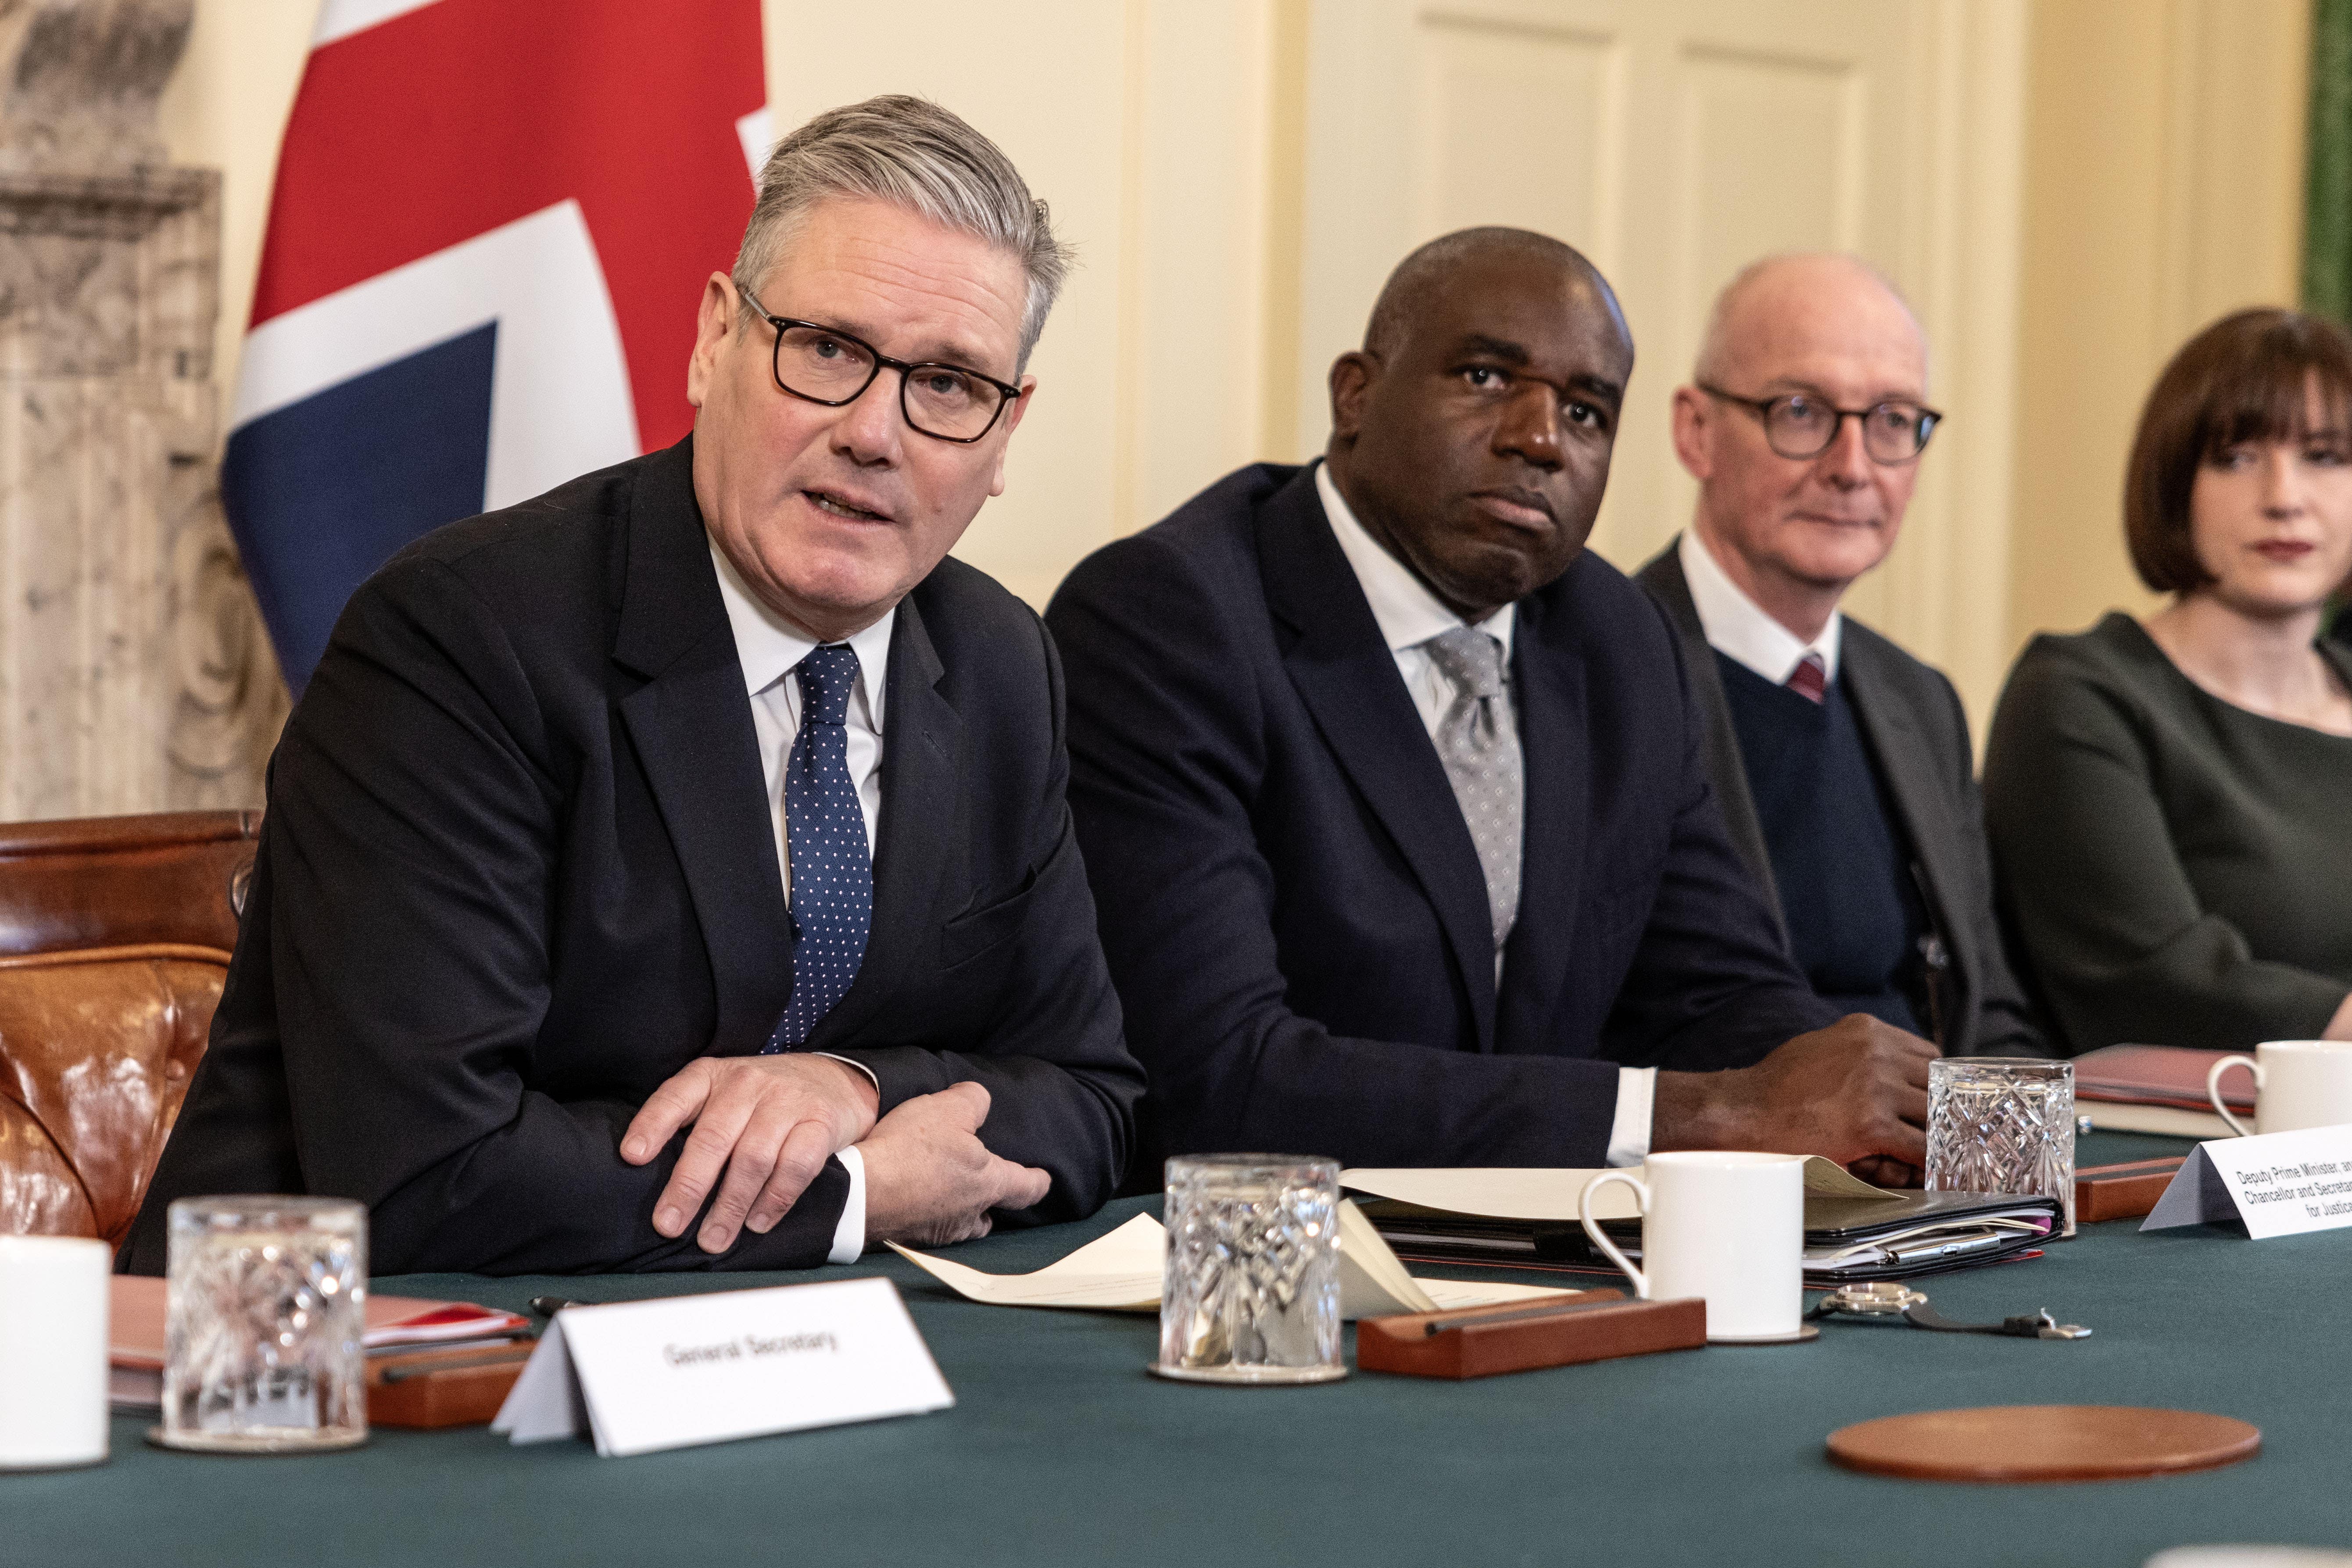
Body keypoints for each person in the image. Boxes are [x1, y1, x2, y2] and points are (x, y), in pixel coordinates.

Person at [122, 97, 1144, 1275]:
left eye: (952, 386)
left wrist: (854, 1086)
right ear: (716, 339)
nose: (876, 433)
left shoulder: (1000, 660)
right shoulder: (459, 639)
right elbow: (425, 1168)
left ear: (1006, 435)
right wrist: (856, 1190)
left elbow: (1093, 1093)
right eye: (828, 350)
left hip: (773, 1356)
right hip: (332, 1371)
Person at [1045, 228, 1938, 1180]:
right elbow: (1220, 1076)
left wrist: (1877, 1112)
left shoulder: (1617, 639)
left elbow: (1716, 987)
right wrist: (1699, 1112)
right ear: (1354, 395)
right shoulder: (1168, 618)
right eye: (1482, 378)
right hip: (1256, 1260)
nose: (1539, 439)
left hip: (1549, 1263)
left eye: (1587, 412)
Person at [1634, 254, 2041, 1056]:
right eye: (1801, 411)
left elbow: (1986, 1013)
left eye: (1892, 420)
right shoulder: (1602, 673)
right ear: (1696, 431)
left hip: (1930, 1167)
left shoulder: (1921, 700)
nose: (1852, 468)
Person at [1985, 307, 2352, 1054]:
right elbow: (2159, 986)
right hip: (2193, 1153)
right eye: (2237, 458)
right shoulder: (2080, 696)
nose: (2285, 496)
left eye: (2324, 455)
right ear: (2174, 483)